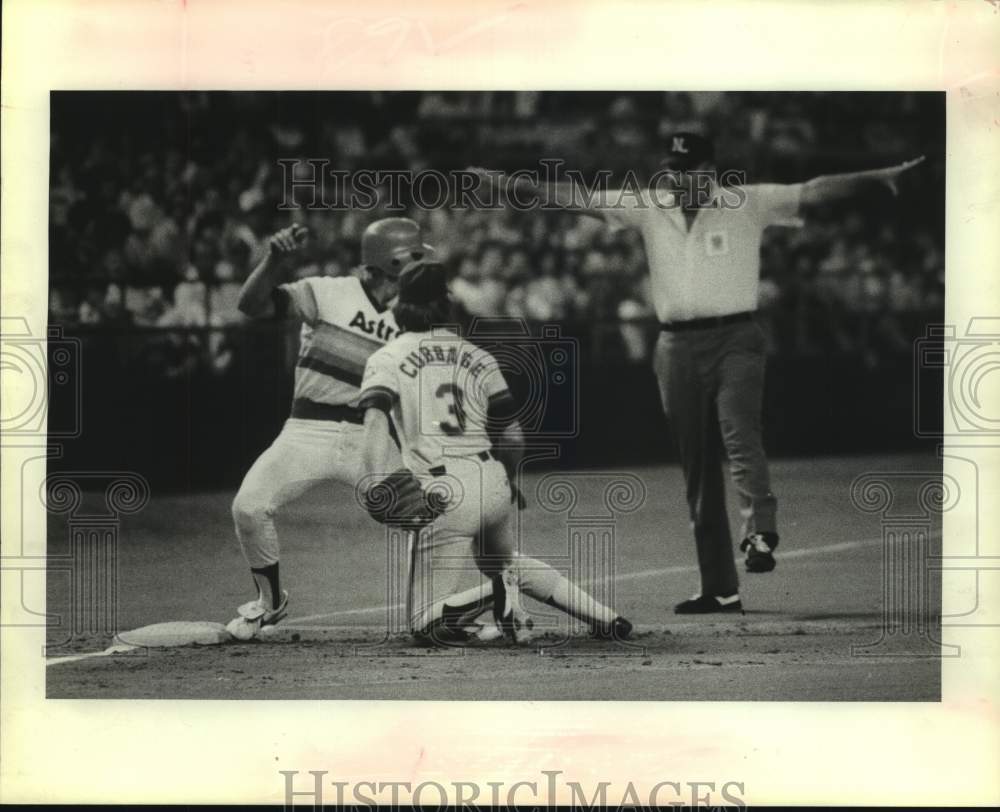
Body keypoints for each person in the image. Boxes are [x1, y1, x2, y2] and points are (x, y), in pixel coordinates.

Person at [471, 135, 923, 614]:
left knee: (740, 434)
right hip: (675, 345)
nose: (678, 178)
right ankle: (720, 588)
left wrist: (877, 178)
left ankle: (760, 533)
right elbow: (574, 197)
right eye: (672, 169)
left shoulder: (745, 201)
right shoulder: (649, 207)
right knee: (697, 467)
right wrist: (506, 185)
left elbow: (813, 188)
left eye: (687, 169)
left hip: (736, 338)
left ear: (710, 172)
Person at [357, 260, 633, 644]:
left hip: (442, 488)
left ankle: (499, 592)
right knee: (499, 561)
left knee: (423, 625)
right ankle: (605, 617)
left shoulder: (386, 357)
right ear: (447, 302)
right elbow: (514, 437)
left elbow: (373, 421)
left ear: (399, 305)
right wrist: (510, 480)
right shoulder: (478, 355)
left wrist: (374, 481)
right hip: (491, 477)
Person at [227, 217, 433, 636]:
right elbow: (250, 306)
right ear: (393, 262)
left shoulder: (413, 318)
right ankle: (269, 604)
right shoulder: (329, 291)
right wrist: (273, 261)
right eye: (414, 257)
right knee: (248, 508)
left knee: (429, 518)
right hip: (308, 428)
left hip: (369, 436)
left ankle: (429, 613)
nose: (420, 265)